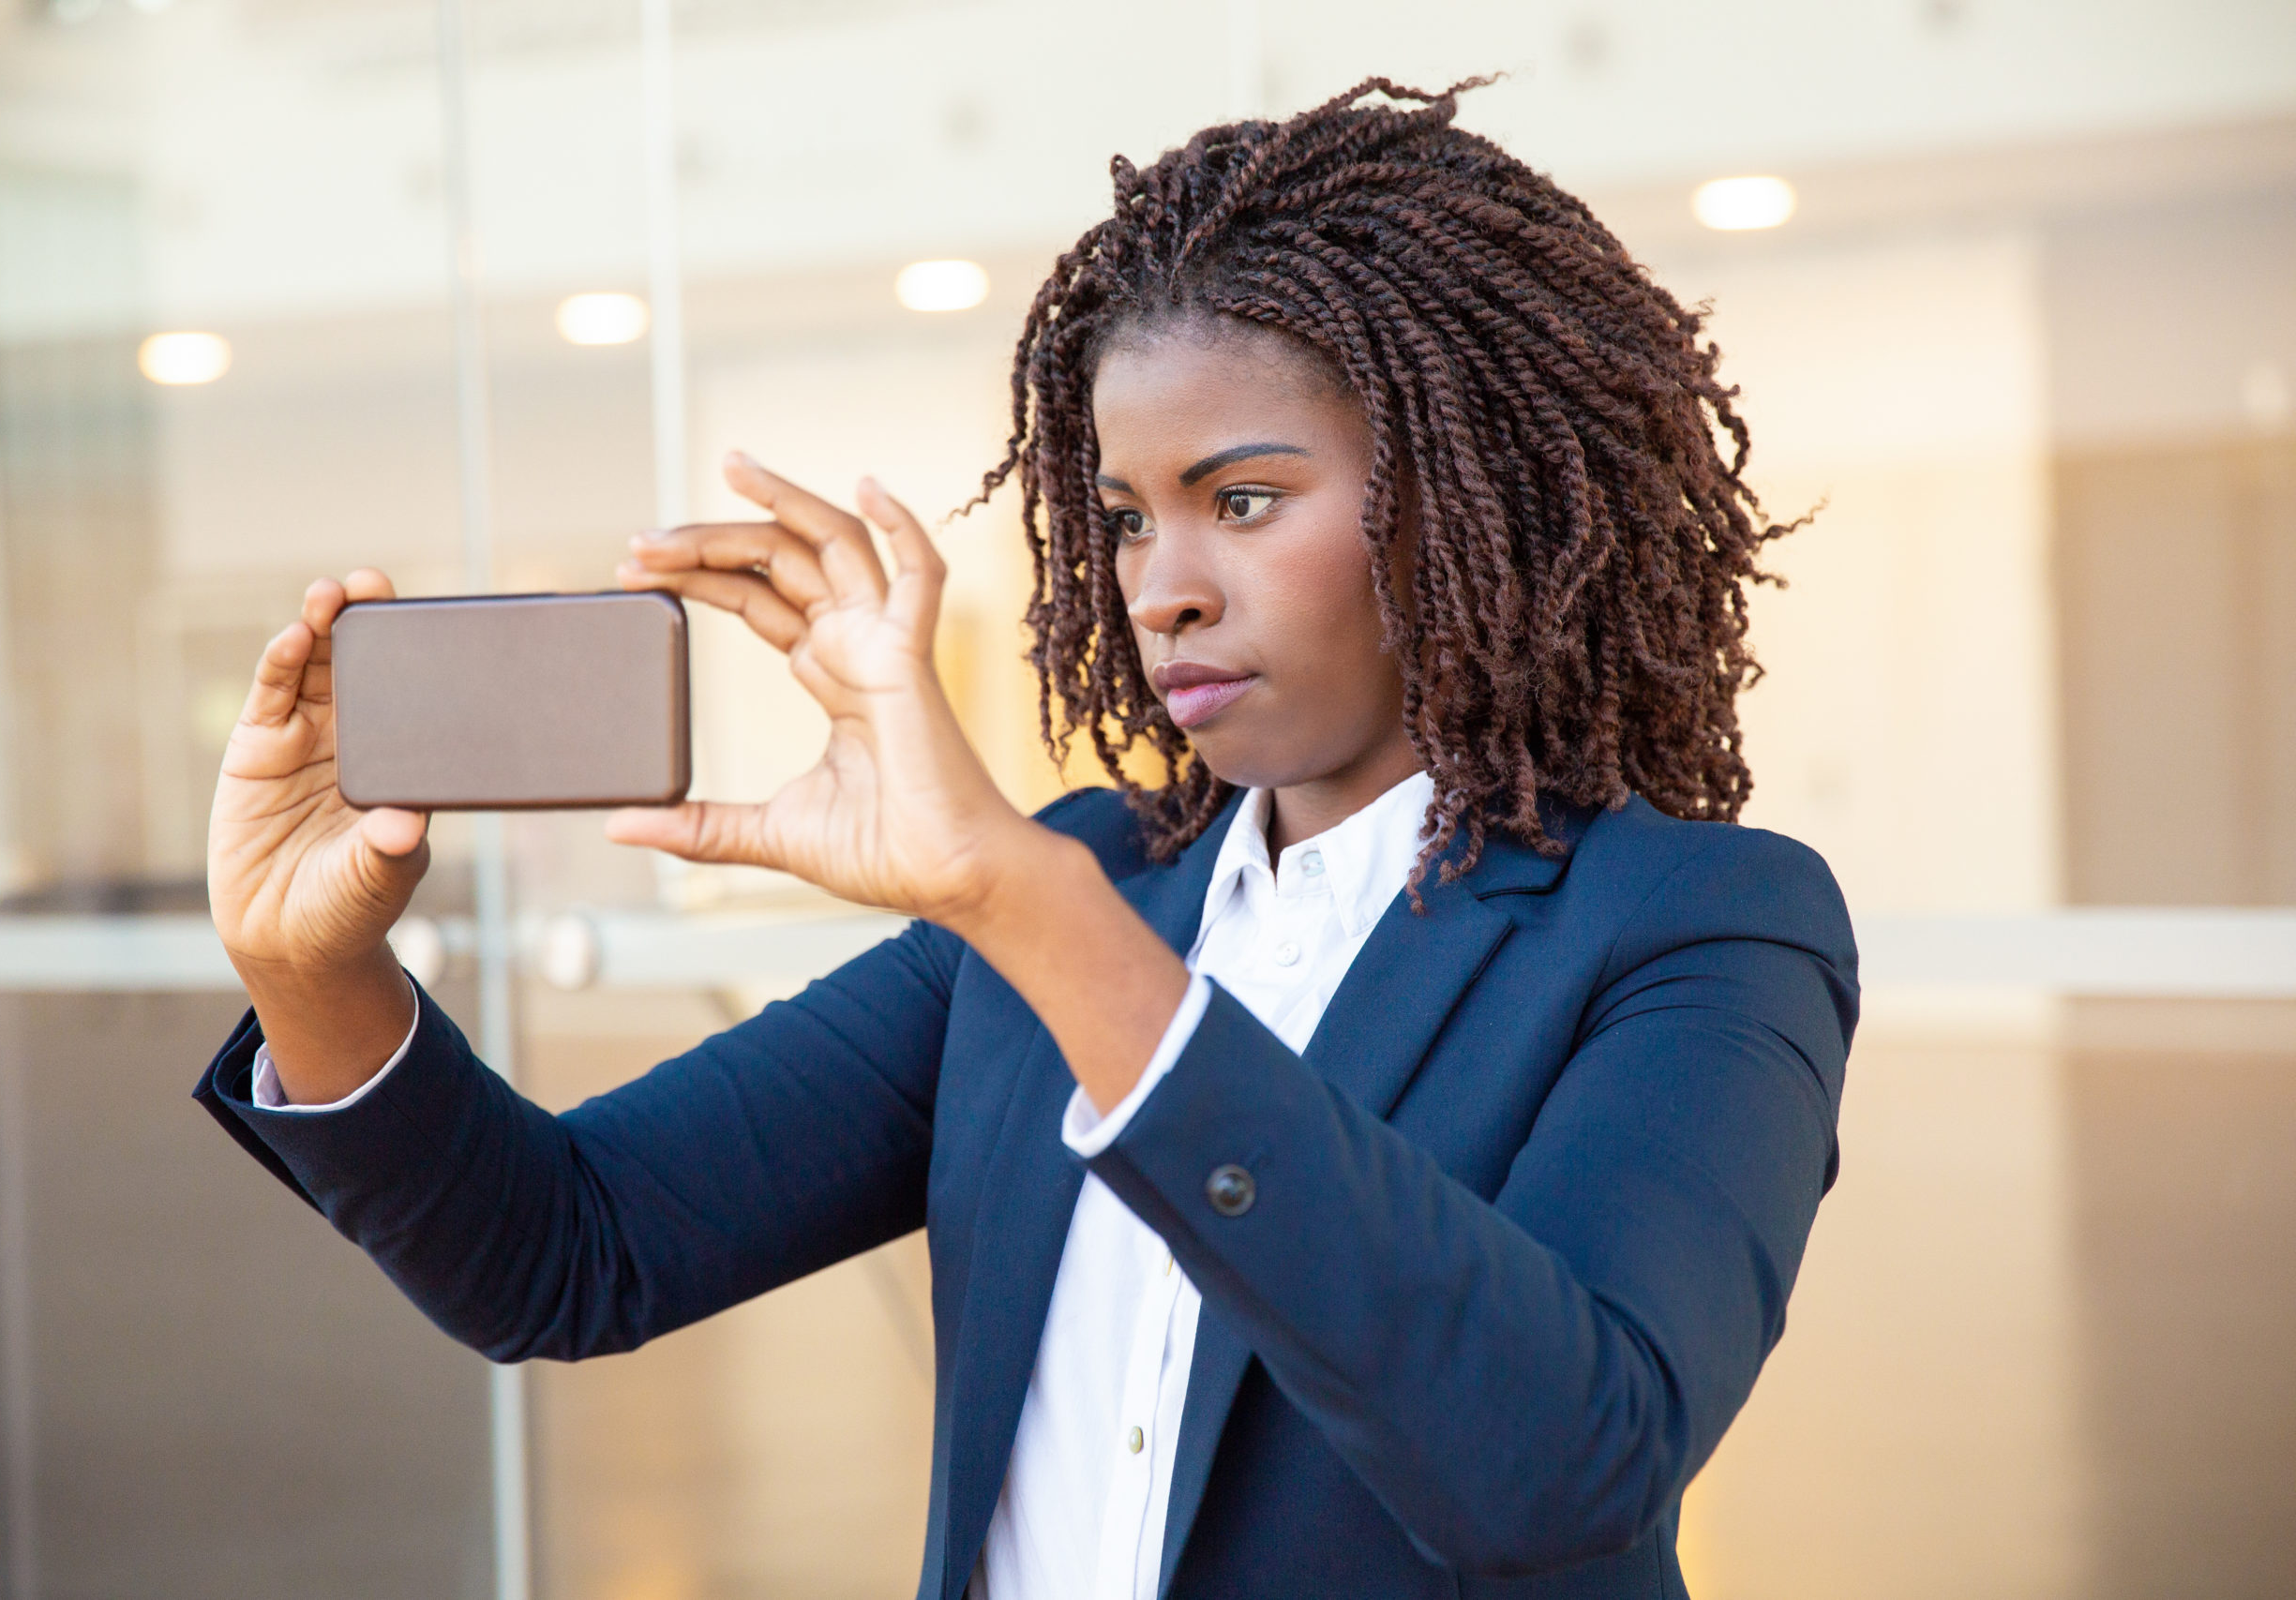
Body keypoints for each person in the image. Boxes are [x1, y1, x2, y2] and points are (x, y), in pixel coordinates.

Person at [197, 77, 1855, 1600]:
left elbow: (1564, 1467)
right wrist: (312, 971)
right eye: (1125, 519)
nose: (1160, 588)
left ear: (1468, 490)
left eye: (1244, 500)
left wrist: (1034, 911)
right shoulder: (1076, 883)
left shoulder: (1703, 925)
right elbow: (569, 1252)